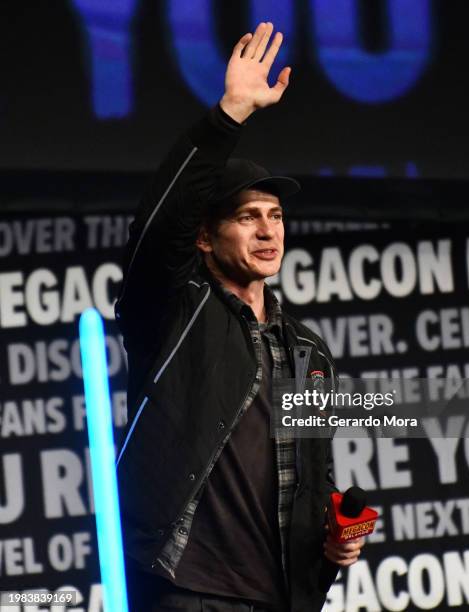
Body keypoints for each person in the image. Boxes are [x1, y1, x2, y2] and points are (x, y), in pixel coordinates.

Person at [115, 22, 365, 612]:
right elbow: (159, 230)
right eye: (247, 216)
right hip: (190, 589)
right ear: (205, 237)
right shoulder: (176, 309)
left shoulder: (308, 349)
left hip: (280, 595)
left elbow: (313, 470)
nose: (266, 230)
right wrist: (229, 114)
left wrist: (332, 540)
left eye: (275, 216)